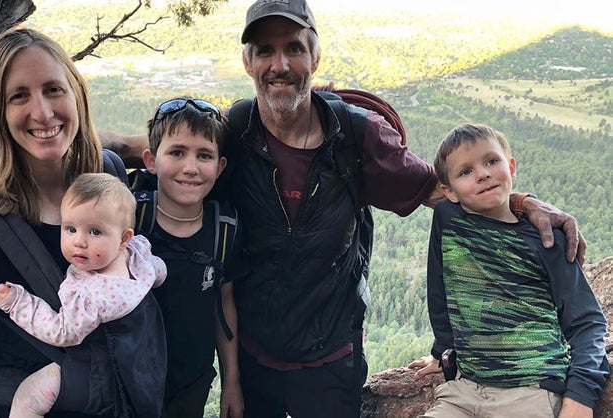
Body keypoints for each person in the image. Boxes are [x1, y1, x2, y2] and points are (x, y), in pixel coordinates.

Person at [101, 1, 585, 416]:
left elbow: (444, 189)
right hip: (251, 358)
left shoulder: (357, 136)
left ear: (314, 55)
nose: (280, 64)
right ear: (247, 62)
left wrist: (521, 201)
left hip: (331, 361)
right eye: (265, 50)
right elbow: (168, 149)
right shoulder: (237, 129)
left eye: (293, 47)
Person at [0, 28, 150, 418]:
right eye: (19, 96)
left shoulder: (108, 177)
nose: (42, 112)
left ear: (76, 93)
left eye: (53, 89)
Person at [408, 124, 609, 418]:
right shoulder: (448, 218)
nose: (482, 174)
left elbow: (587, 322)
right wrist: (443, 351)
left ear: (511, 166)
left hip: (531, 392)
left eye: (491, 161)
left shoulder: (548, 240)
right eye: (466, 171)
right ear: (448, 191)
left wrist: (580, 397)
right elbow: (440, 289)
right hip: (464, 390)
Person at [0, 173, 166, 417]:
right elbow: (159, 272)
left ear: (124, 238)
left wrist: (16, 302)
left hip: (97, 379)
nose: (79, 242)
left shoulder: (92, 294)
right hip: (143, 368)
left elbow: (62, 332)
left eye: (94, 232)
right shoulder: (137, 257)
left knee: (28, 398)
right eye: (70, 228)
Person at [138, 97, 243, 418]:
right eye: (177, 152)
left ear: (220, 166)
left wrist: (232, 382)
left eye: (204, 155)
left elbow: (224, 305)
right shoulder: (131, 216)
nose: (190, 167)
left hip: (191, 385)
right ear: (151, 160)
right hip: (130, 379)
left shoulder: (224, 229)